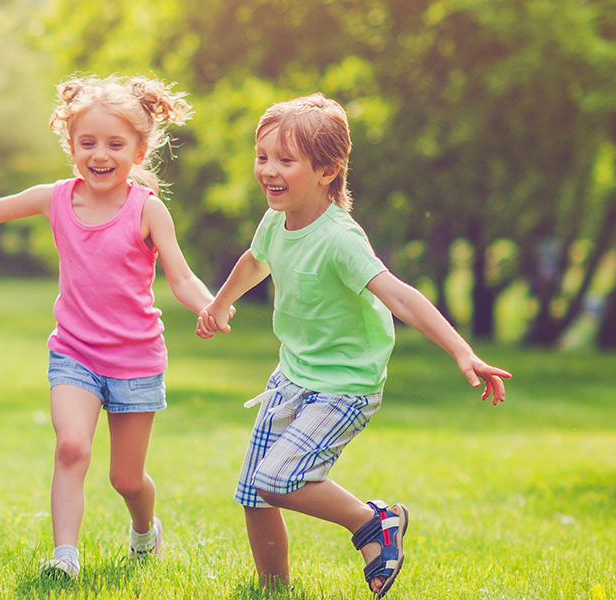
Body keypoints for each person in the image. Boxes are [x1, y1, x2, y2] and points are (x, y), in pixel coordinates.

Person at [0, 74, 218, 579]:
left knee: (126, 479)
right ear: (70, 145)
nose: (100, 154)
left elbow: (181, 276)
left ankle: (143, 532)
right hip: (75, 353)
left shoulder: (147, 210)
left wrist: (210, 306)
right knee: (71, 447)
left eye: (115, 143)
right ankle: (64, 557)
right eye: (87, 142)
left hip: (136, 360)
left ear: (139, 149)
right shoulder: (56, 198)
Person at [196, 93, 511, 597]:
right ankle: (272, 590)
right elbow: (256, 261)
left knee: (277, 479)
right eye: (263, 157)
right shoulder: (276, 219)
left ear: (327, 171)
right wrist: (220, 304)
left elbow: (400, 298)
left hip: (344, 385)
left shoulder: (340, 239)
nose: (268, 170)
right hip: (294, 375)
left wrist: (461, 350)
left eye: (285, 159)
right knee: (255, 493)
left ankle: (375, 523)